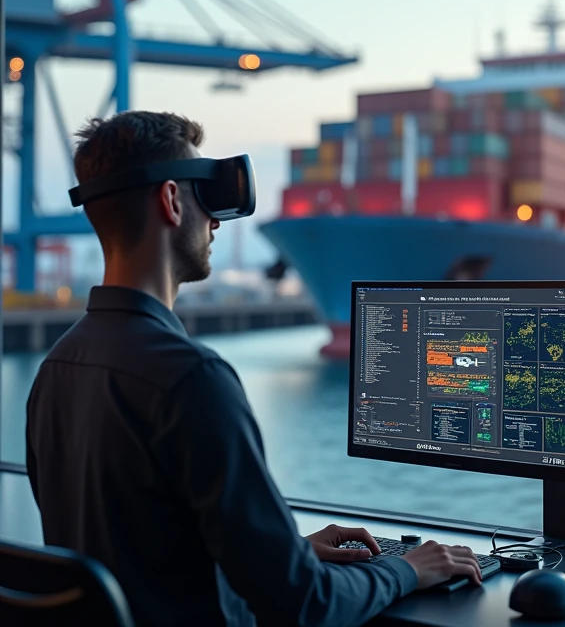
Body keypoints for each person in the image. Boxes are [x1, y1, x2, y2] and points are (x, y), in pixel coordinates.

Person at [26, 111, 481, 627]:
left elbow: (142, 555)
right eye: (206, 196)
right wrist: (408, 569)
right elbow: (305, 605)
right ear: (172, 201)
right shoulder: (191, 379)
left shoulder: (56, 368)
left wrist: (287, 551)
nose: (216, 221)